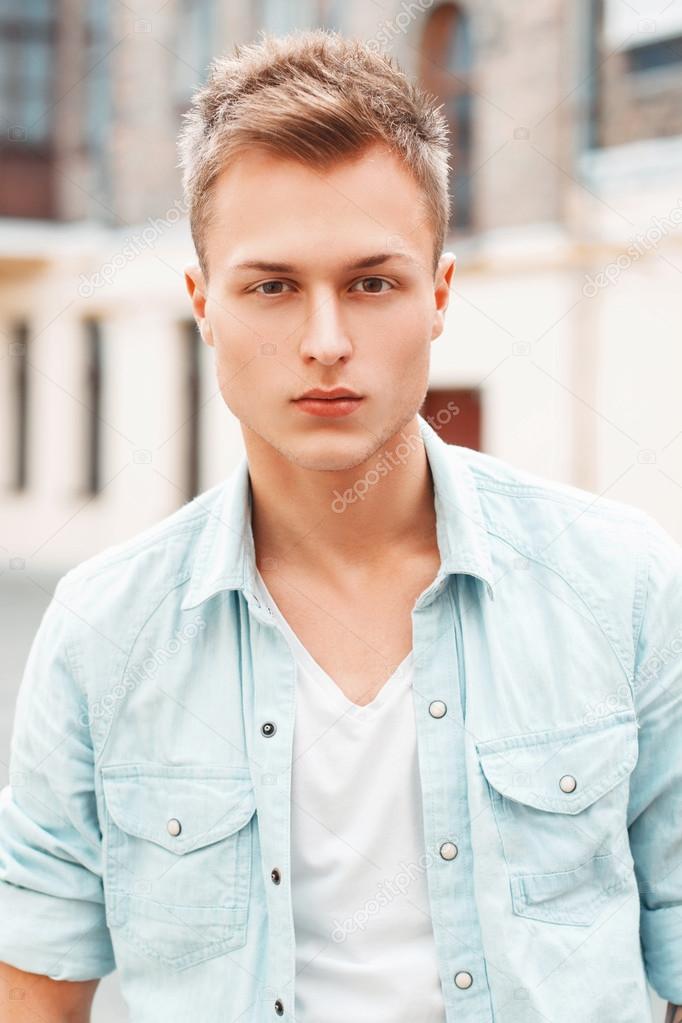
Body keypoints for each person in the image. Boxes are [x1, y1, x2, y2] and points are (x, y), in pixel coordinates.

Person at [1, 28, 681, 1023]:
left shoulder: (619, 584)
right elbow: (35, 989)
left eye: (371, 283)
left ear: (439, 297)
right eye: (272, 286)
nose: (325, 342)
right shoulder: (103, 629)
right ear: (203, 304)